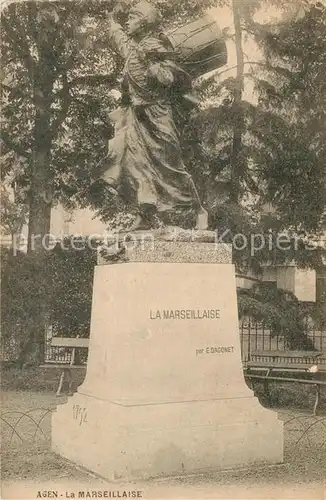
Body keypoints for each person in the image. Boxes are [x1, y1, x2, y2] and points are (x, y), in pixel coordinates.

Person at [98, 0, 208, 230]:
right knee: (135, 165)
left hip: (159, 115)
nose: (127, 21)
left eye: (133, 17)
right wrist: (110, 21)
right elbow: (119, 38)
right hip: (138, 117)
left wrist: (153, 66)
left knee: (171, 166)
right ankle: (145, 214)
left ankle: (199, 210)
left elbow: (170, 79)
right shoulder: (132, 50)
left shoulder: (157, 49)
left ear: (145, 23)